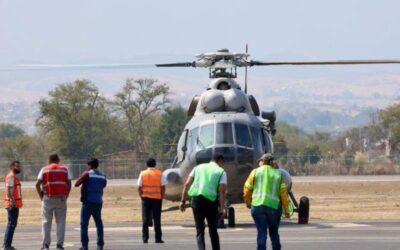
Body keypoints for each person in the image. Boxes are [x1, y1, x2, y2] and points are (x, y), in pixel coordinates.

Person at [243, 153, 290, 250]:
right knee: (274, 233)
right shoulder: (278, 174)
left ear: (263, 162)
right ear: (272, 163)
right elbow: (284, 195)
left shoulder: (255, 172)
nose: (259, 163)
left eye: (260, 161)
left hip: (257, 207)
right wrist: (287, 210)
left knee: (261, 233)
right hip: (274, 208)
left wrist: (248, 202)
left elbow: (247, 189)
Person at [180, 154, 227, 250]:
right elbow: (222, 191)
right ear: (219, 161)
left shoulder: (197, 168)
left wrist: (183, 201)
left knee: (200, 230)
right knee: (213, 230)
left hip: (197, 202)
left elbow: (186, 184)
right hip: (211, 203)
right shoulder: (221, 171)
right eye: (222, 163)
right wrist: (222, 208)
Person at [36, 154, 72, 250]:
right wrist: (66, 194)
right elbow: (69, 183)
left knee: (46, 222)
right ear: (58, 160)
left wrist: (41, 197)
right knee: (61, 222)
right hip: (61, 198)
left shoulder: (44, 169)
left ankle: (45, 245)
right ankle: (59, 245)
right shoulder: (65, 169)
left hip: (48, 197)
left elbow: (37, 184)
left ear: (49, 160)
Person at [75, 158, 107, 250]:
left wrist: (84, 177)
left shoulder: (87, 174)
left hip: (88, 202)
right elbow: (104, 185)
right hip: (98, 202)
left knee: (84, 224)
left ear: (89, 165)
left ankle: (85, 245)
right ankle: (100, 245)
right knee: (99, 224)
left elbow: (76, 184)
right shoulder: (103, 175)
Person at [137, 158, 166, 244]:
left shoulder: (143, 173)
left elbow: (139, 186)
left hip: (145, 199)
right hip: (157, 199)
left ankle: (145, 238)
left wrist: (141, 196)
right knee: (157, 219)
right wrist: (162, 196)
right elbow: (163, 186)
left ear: (147, 164)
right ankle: (158, 238)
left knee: (145, 219)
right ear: (155, 164)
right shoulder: (160, 173)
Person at [3, 161, 23, 250]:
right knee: (11, 224)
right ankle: (6, 245)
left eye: (19, 166)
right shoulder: (11, 176)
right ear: (12, 167)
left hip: (14, 204)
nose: (19, 168)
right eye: (17, 166)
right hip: (12, 204)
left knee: (12, 224)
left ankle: (8, 245)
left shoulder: (13, 177)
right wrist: (12, 201)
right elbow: (8, 189)